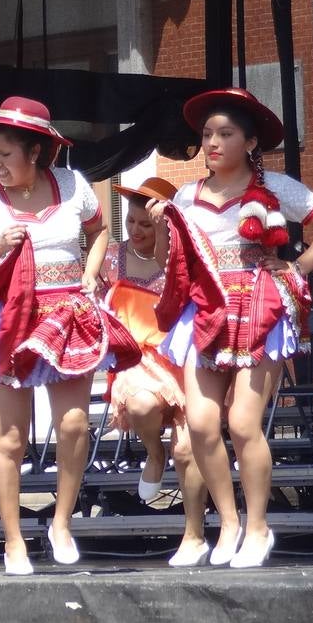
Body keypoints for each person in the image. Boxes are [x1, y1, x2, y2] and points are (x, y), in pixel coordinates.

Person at [0, 96, 139, 575]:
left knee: (73, 426)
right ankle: (12, 542)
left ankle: (61, 523)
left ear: (35, 151)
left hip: (68, 313)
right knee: (10, 437)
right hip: (10, 319)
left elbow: (101, 231)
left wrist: (91, 273)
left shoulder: (72, 185)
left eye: (6, 153)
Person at [150, 88, 313, 568]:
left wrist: (298, 269)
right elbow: (172, 262)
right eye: (207, 134)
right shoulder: (186, 195)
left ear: (249, 142)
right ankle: (227, 523)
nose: (213, 142)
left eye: (225, 134)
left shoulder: (275, 187)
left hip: (259, 306)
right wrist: (164, 229)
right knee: (202, 423)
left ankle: (259, 526)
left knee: (243, 422)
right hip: (205, 311)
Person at [101, 177, 207, 567]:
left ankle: (193, 531)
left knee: (187, 448)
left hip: (178, 358)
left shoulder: (181, 259)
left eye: (146, 223)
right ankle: (152, 453)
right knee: (143, 406)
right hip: (135, 359)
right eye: (131, 222)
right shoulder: (113, 258)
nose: (136, 230)